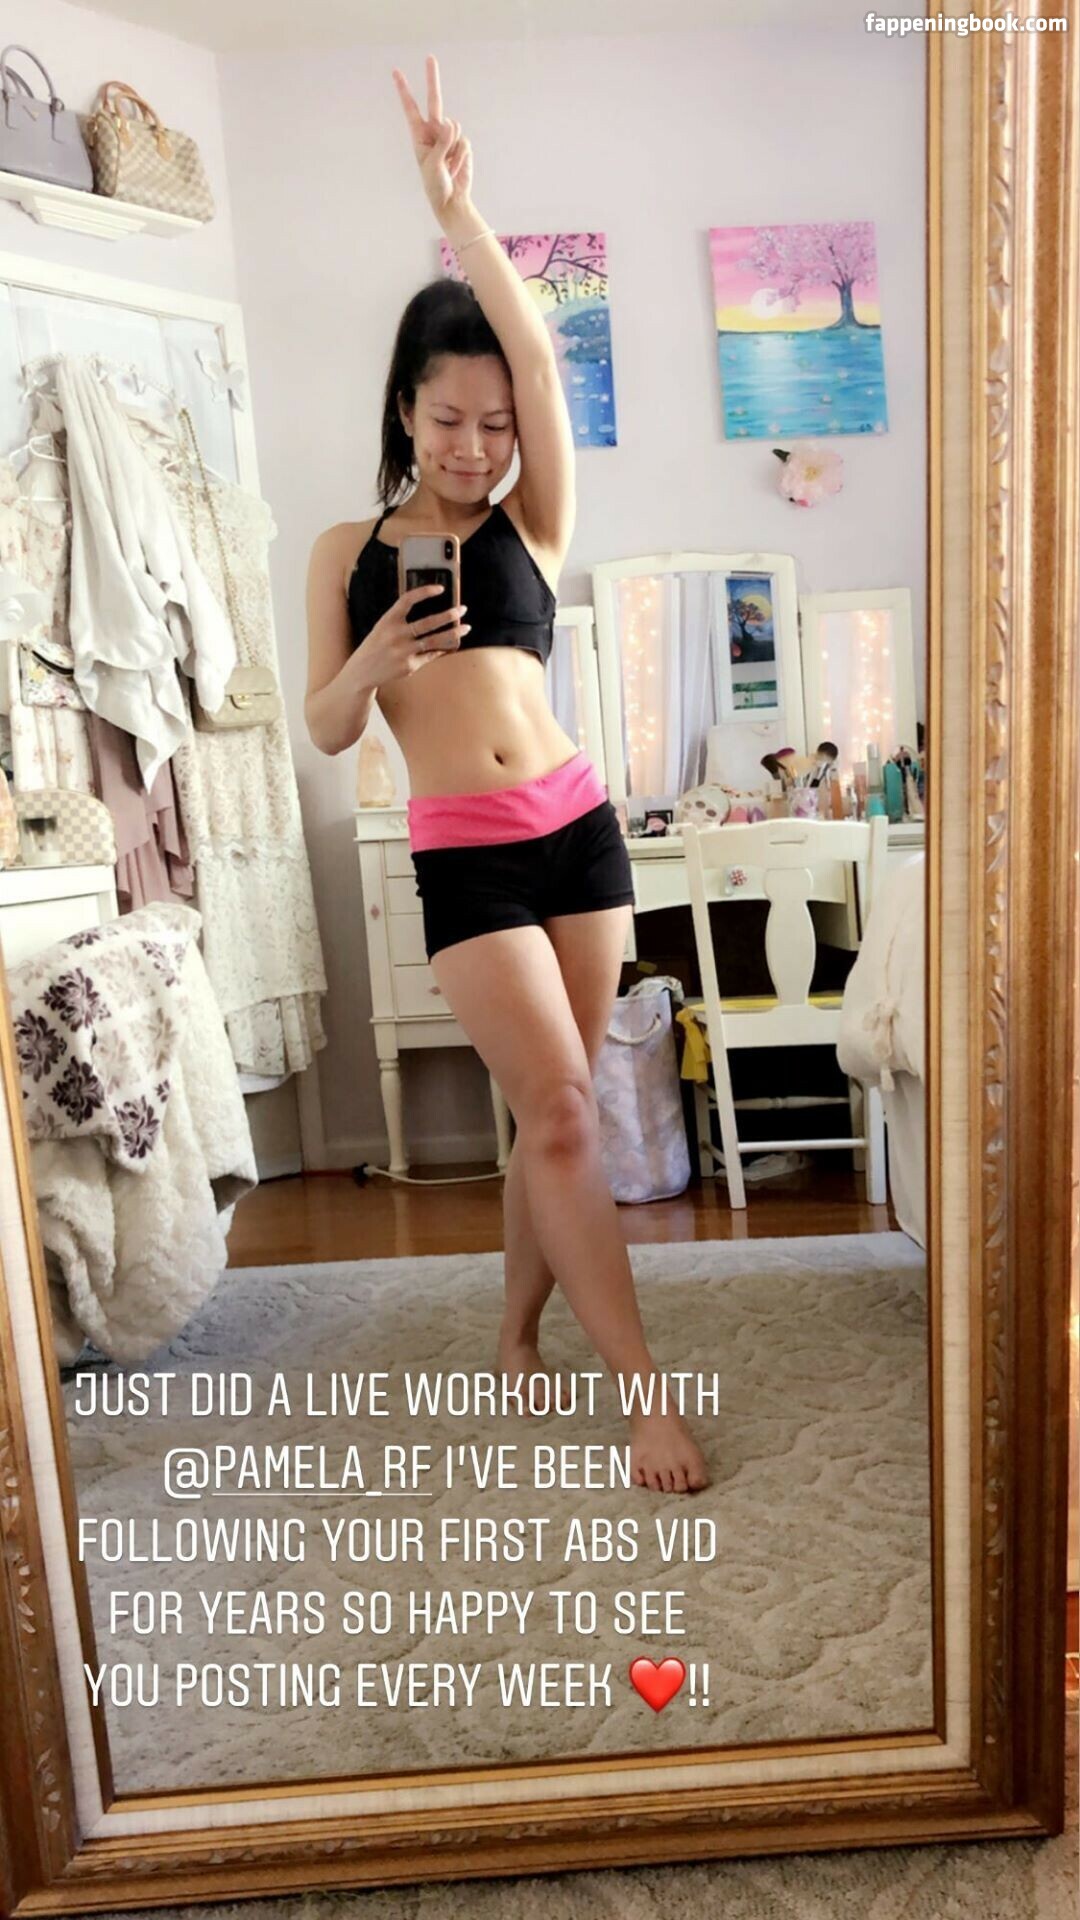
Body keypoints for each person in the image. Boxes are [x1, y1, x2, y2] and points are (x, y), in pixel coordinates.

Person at [305, 56, 708, 1495]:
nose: (475, 446)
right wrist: (376, 654)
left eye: (496, 421)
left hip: (577, 830)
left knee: (563, 1108)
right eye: (447, 419)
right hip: (465, 854)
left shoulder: (534, 524)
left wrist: (457, 214)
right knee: (559, 1109)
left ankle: (518, 1326)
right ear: (403, 411)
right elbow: (328, 729)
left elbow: (541, 356)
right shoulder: (346, 553)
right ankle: (646, 1396)